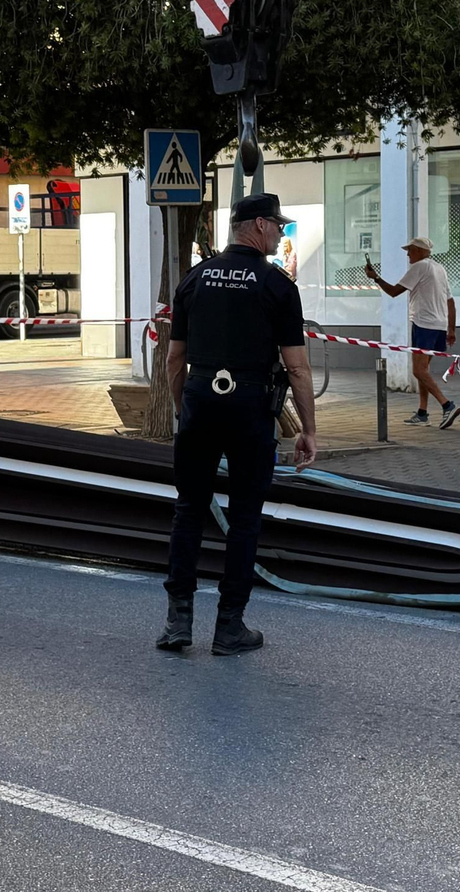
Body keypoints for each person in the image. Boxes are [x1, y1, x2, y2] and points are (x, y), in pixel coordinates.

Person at [158, 193, 318, 657]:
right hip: (249, 406)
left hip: (200, 401)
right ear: (260, 226)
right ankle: (229, 627)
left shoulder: (195, 278)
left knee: (189, 509)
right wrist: (308, 429)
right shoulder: (276, 285)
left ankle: (178, 622)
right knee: (245, 516)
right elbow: (298, 369)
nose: (281, 233)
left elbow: (175, 357)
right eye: (279, 226)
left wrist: (182, 408)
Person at [364, 237, 460, 428]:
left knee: (418, 370)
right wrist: (451, 328)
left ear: (419, 250)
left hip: (424, 324)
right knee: (423, 371)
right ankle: (422, 412)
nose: (408, 254)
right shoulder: (439, 268)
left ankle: (447, 405)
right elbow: (450, 301)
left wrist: (375, 277)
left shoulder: (419, 268)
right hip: (439, 325)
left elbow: (393, 291)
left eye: (410, 250)